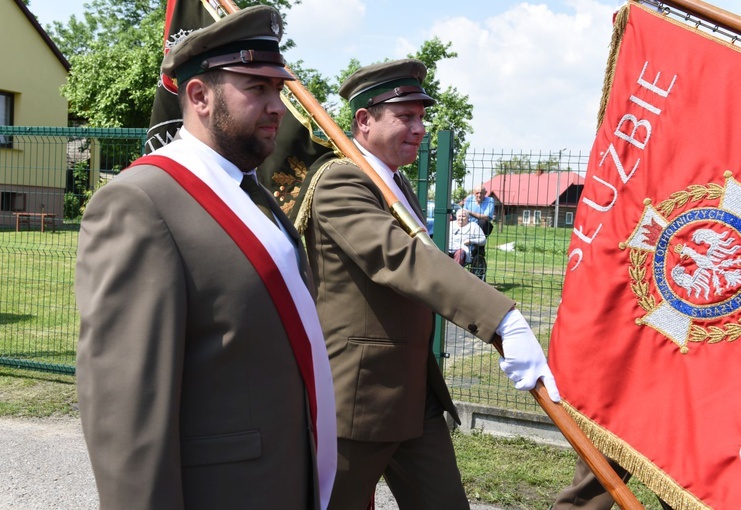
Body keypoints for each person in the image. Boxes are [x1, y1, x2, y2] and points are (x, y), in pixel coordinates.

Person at [74, 7, 336, 510]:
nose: (277, 105)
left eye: (278, 89)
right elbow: (127, 414)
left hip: (283, 477)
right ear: (198, 96)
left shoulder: (253, 193)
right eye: (256, 88)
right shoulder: (140, 202)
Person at [303, 58, 560, 510]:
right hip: (358, 401)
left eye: (422, 117)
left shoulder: (394, 183)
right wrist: (500, 317)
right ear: (364, 120)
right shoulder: (340, 180)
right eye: (406, 116)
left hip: (414, 394)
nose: (419, 128)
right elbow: (401, 259)